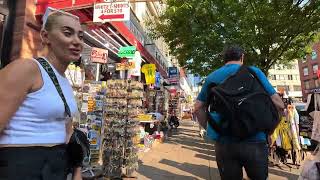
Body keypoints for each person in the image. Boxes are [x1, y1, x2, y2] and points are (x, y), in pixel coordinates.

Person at [0, 10, 84, 180]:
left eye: (80, 36)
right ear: (45, 36)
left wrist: (77, 170)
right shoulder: (26, 69)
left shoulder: (64, 81)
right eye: (67, 33)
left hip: (55, 168)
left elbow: (66, 129)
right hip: (21, 167)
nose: (77, 41)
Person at [194, 45, 284, 180]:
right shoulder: (254, 72)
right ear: (242, 57)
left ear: (224, 59)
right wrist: (270, 131)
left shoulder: (212, 76)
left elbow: (198, 107)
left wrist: (210, 129)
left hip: (224, 142)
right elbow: (279, 105)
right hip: (256, 140)